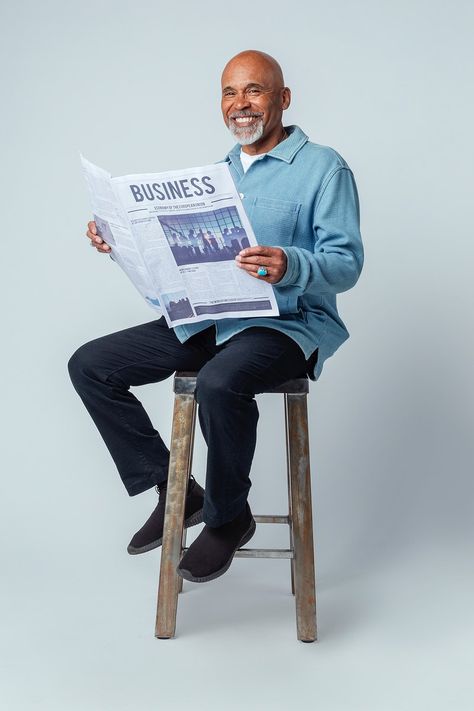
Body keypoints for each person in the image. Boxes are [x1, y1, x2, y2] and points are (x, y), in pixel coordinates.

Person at [68, 49, 364, 584]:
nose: (240, 104)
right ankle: (178, 492)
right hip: (211, 319)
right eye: (229, 92)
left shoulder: (325, 167)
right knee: (91, 365)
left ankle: (230, 518)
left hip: (284, 324)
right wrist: (120, 242)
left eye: (254, 90)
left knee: (219, 382)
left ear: (283, 99)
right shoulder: (217, 173)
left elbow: (346, 264)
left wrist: (290, 263)